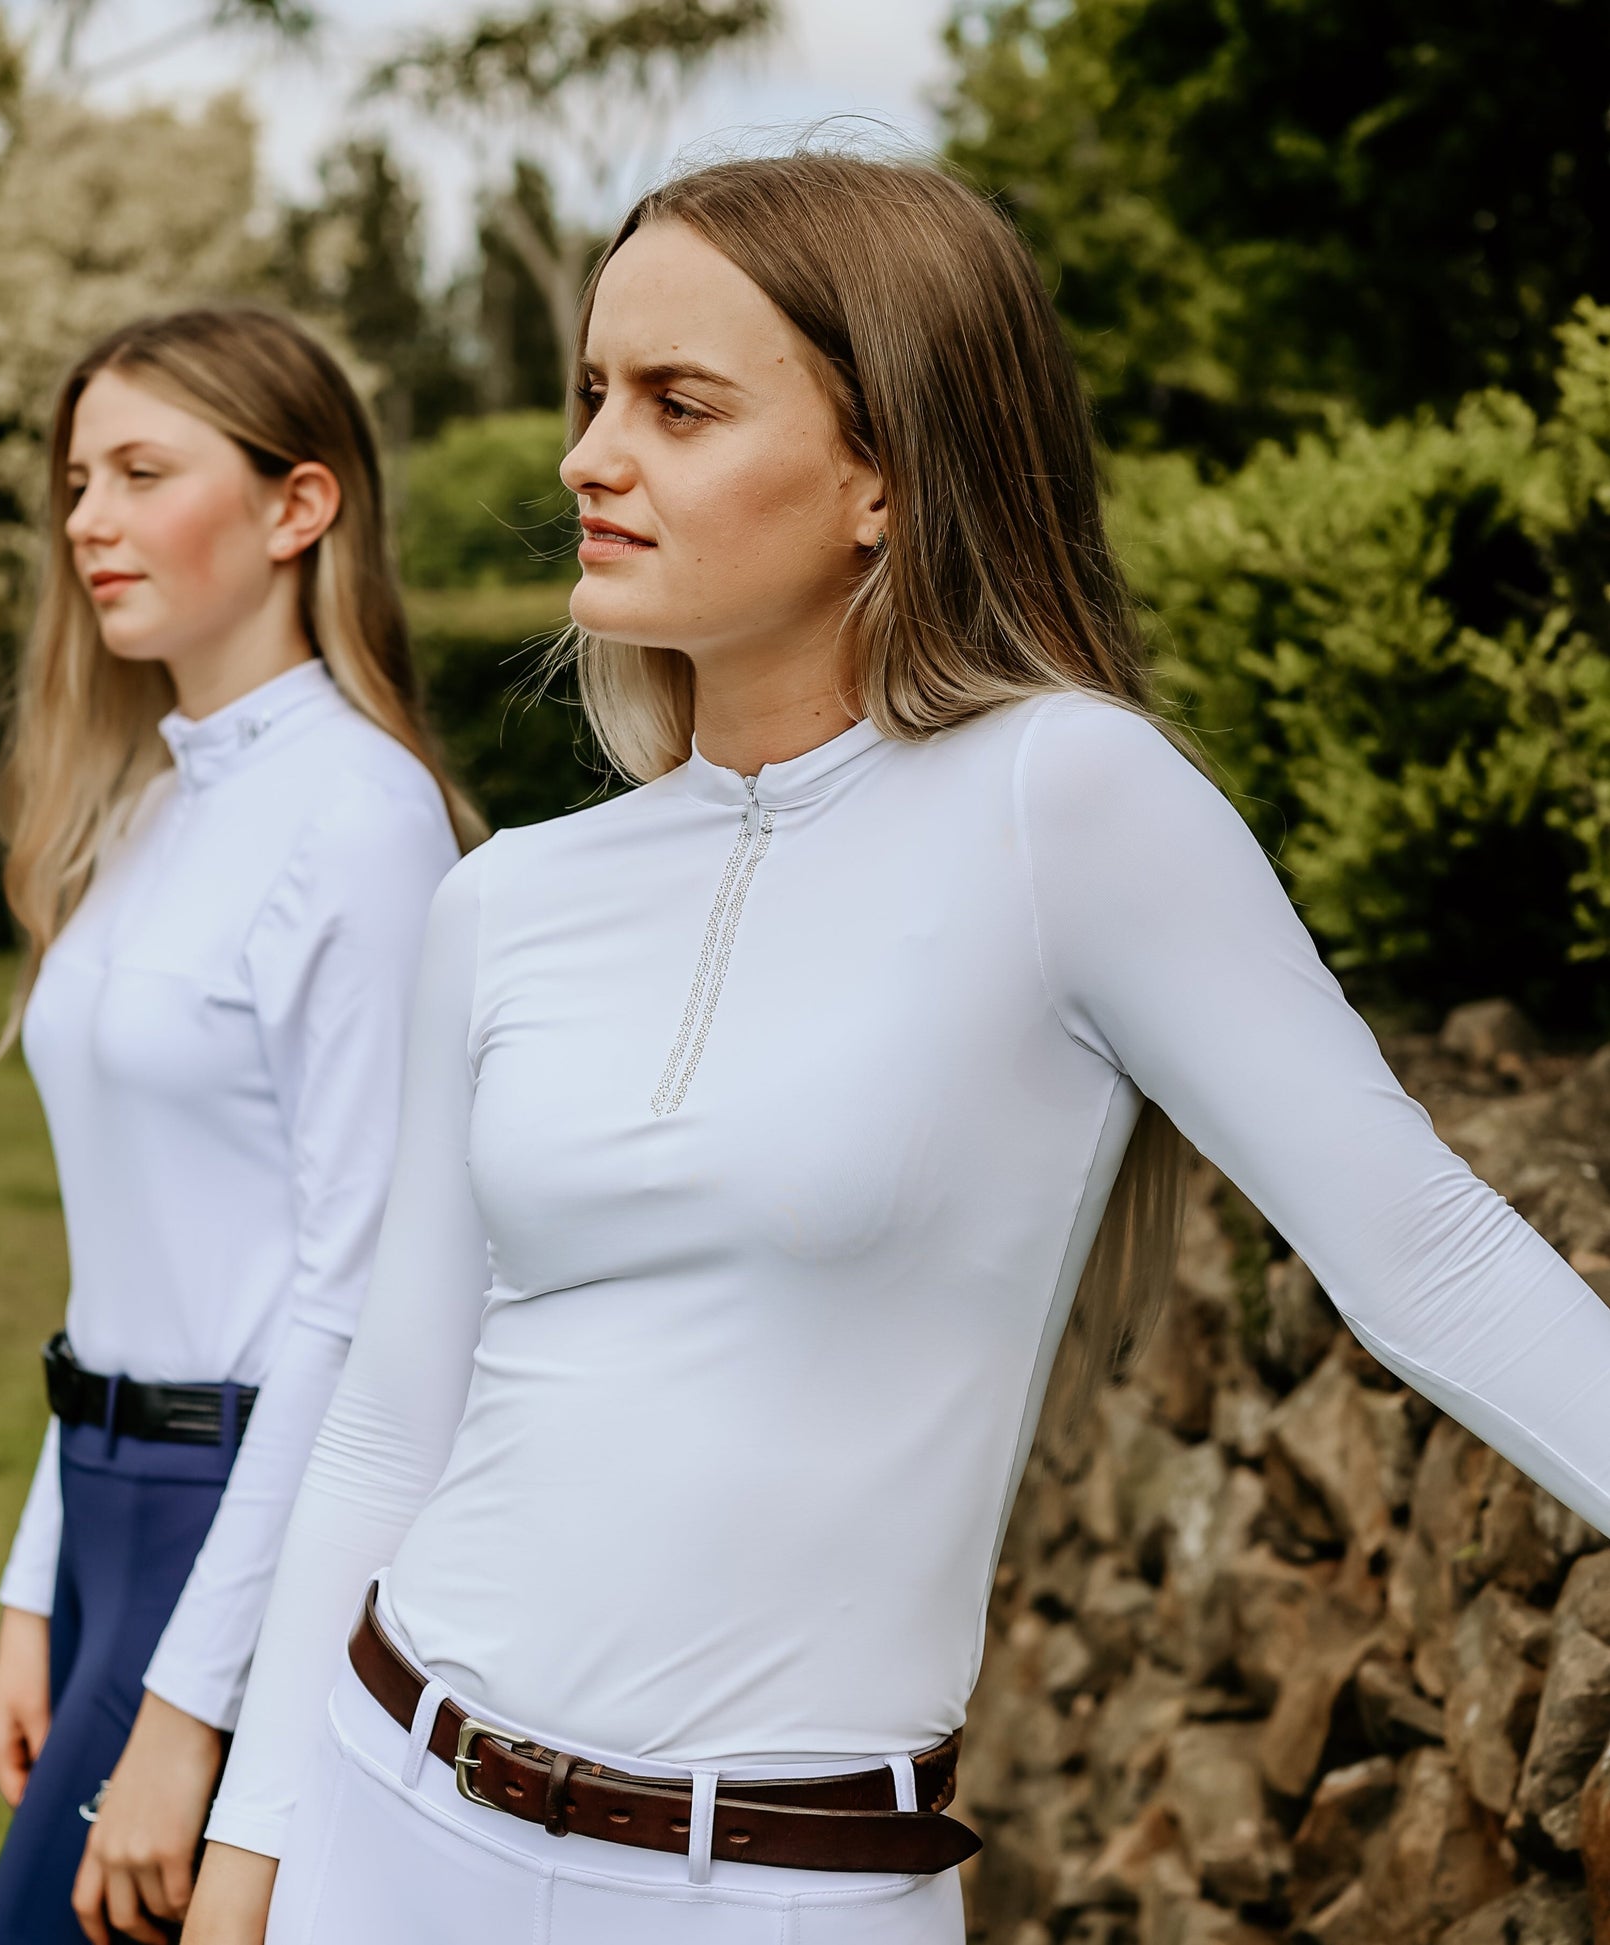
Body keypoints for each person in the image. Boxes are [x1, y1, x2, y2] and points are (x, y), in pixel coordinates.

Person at [183, 153, 1610, 1945]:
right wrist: (255, 1847)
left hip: (778, 1890)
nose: (587, 457)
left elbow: (1433, 1255)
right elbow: (392, 1421)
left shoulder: (1068, 802)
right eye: (591, 394)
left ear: (886, 474)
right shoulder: (507, 899)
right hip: (386, 1815)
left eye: (677, 404)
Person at [0, 306, 472, 1945]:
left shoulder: (363, 819)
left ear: (295, 506)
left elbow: (360, 1294)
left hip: (237, 1520)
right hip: (107, 1509)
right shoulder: (146, 803)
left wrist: (190, 1708)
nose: (87, 520)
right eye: (75, 480)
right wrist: (35, 1584)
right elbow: (123, 1245)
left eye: (140, 472)